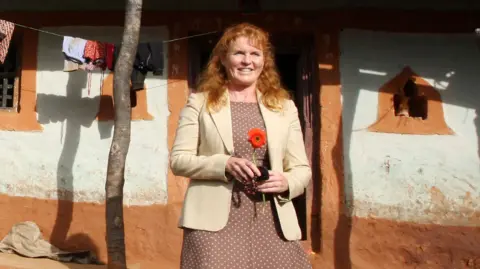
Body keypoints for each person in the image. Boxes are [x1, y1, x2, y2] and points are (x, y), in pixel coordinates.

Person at [170, 22, 312, 269]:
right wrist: (224, 164)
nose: (247, 61)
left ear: (264, 61)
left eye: (255, 54)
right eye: (239, 53)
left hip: (273, 221)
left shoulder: (284, 107)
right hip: (212, 225)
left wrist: (287, 182)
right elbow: (179, 160)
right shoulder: (200, 103)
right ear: (224, 59)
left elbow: (301, 169)